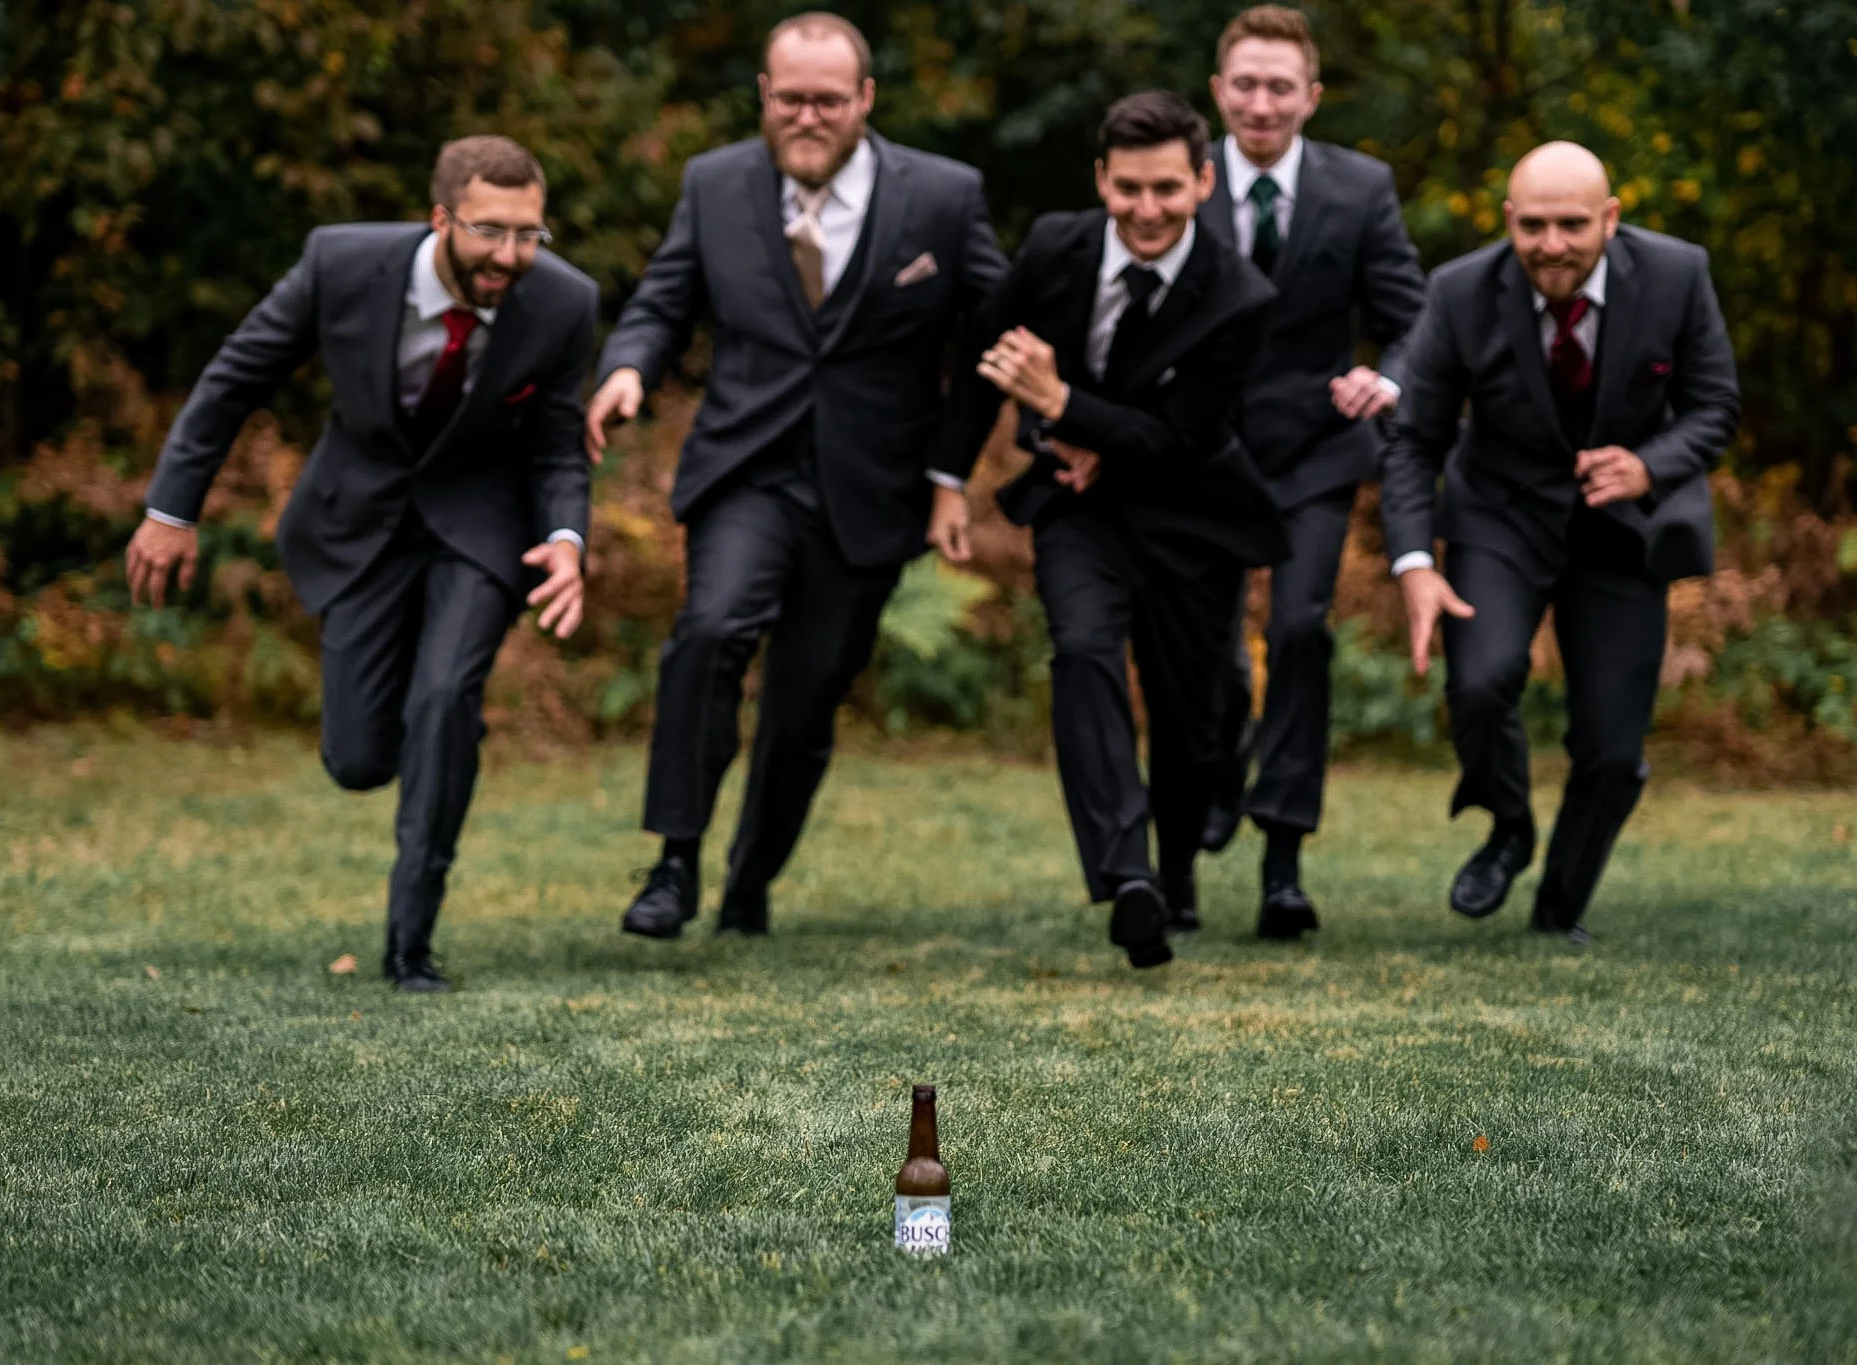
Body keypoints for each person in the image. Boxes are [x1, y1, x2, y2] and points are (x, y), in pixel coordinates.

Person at [125, 136, 598, 991]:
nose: (512, 256)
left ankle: (410, 947)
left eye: (531, 235)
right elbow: (236, 376)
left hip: (480, 529)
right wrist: (171, 509)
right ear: (442, 216)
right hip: (359, 524)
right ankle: (432, 735)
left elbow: (559, 446)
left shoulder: (563, 303)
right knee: (357, 757)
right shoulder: (339, 263)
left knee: (445, 698)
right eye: (492, 232)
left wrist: (567, 541)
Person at [587, 11, 1006, 939]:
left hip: (872, 486)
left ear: (864, 100)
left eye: (826, 99)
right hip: (748, 467)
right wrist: (626, 369)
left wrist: (950, 470)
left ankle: (751, 880)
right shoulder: (715, 183)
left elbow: (995, 334)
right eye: (789, 99)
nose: (806, 116)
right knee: (708, 632)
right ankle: (675, 860)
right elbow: (663, 298)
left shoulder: (943, 196)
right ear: (765, 99)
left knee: (806, 699)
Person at [934, 90, 1286, 969]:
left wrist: (1063, 407)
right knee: (1084, 650)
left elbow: (1187, 437)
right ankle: (1128, 877)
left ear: (1204, 182)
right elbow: (989, 357)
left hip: (1191, 512)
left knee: (1188, 709)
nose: (1146, 210)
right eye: (1127, 188)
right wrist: (947, 480)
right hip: (1078, 507)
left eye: (1167, 188)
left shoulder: (1239, 295)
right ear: (1101, 179)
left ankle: (1176, 873)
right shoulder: (1056, 245)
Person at [1380, 141, 1740, 944]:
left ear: (1610, 218)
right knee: (1480, 684)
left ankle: (1560, 907)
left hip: (1621, 532)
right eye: (1533, 224)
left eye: (1572, 225)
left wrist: (1650, 465)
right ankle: (1508, 824)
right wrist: (1413, 561)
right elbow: (1414, 438)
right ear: (1509, 219)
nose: (1551, 244)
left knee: (1612, 748)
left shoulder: (1678, 275)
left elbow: (1715, 406)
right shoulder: (1462, 290)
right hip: (1497, 517)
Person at [1195, 5, 1428, 940]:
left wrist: (1391, 374)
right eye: (1244, 84)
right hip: (1202, 453)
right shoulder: (1183, 177)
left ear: (1312, 96)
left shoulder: (1361, 187)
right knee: (1209, 648)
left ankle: (1283, 863)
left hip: (1317, 451)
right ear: (1218, 91)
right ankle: (1216, 766)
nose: (1261, 102)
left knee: (1299, 632)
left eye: (1279, 86)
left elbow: (1415, 317)